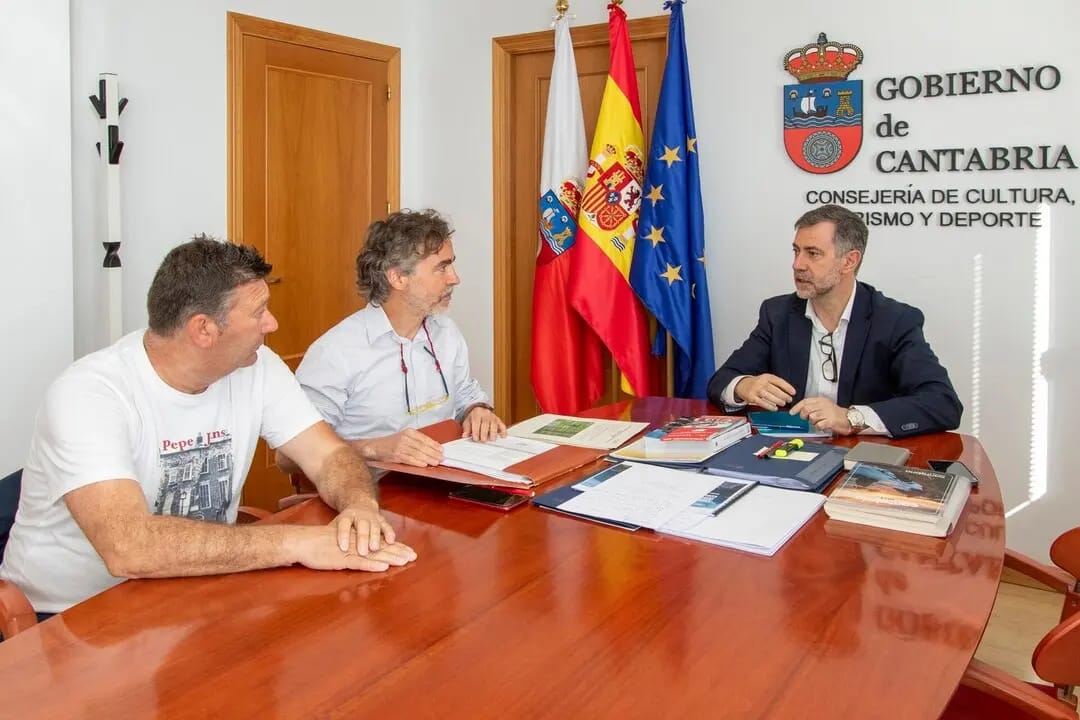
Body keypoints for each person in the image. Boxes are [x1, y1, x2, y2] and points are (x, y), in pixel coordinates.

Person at [0, 237, 416, 616]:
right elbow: (129, 548)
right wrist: (297, 543)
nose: (271, 324)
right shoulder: (88, 394)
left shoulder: (257, 367)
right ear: (204, 329)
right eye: (258, 312)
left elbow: (329, 456)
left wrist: (360, 504)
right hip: (68, 617)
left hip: (192, 595)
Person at [706, 204, 962, 438]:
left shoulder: (894, 320)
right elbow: (721, 380)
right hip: (788, 453)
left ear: (849, 261)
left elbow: (942, 403)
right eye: (796, 251)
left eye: (813, 253)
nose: (797, 265)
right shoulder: (778, 314)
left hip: (860, 460)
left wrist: (851, 417)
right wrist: (745, 385)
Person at [289, 209, 505, 469]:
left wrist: (477, 410)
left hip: (441, 485)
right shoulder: (335, 352)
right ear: (398, 277)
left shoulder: (446, 332)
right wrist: (375, 449)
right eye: (442, 268)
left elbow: (464, 393)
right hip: (367, 495)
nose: (454, 278)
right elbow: (290, 457)